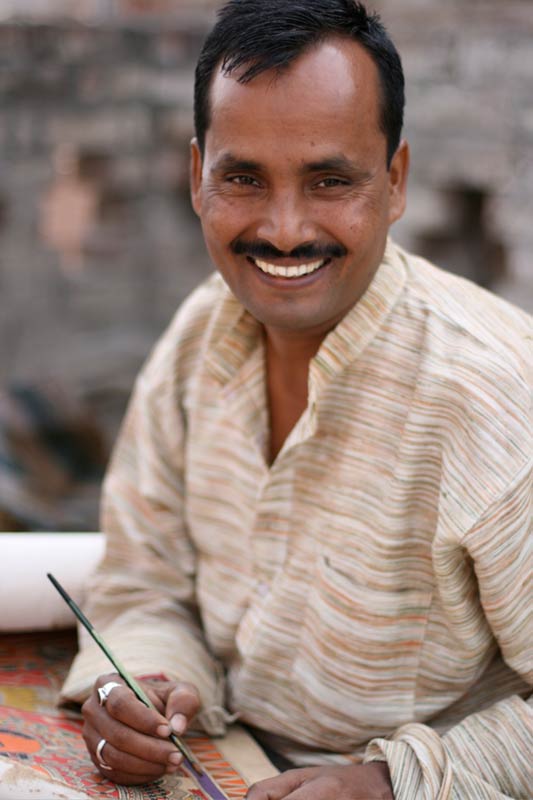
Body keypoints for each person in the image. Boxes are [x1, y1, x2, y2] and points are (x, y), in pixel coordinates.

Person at [60, 1, 532, 798]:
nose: (282, 230)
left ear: (394, 182)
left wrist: (389, 785)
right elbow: (143, 582)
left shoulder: (492, 398)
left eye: (329, 181)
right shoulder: (196, 339)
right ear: (196, 178)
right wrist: (137, 686)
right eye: (242, 178)